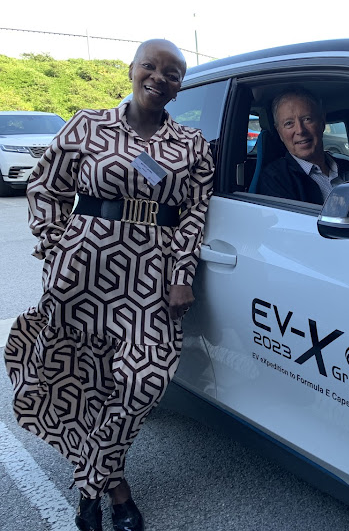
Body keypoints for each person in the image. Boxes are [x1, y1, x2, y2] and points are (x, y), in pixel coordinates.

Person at [3, 39, 214, 531]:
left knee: (145, 380)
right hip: (82, 277)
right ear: (132, 70)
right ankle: (115, 490)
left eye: (173, 73)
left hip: (150, 280)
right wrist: (56, 246)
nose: (160, 77)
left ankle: (89, 480)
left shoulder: (191, 145)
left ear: (181, 86)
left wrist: (182, 275)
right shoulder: (86, 125)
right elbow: (45, 186)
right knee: (86, 384)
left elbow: (193, 215)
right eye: (151, 66)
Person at [256, 86, 349, 204]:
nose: (300, 130)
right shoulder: (275, 179)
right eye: (289, 123)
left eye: (307, 119)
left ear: (322, 122)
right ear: (279, 132)